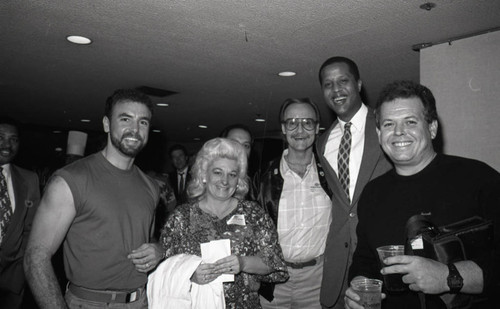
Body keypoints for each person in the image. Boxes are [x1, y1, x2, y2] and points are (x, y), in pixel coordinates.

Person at [345, 80, 500, 309]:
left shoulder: (479, 178)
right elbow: (365, 259)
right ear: (379, 133)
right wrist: (358, 285)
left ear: (432, 128)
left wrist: (449, 276)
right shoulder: (372, 193)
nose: (398, 132)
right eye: (389, 124)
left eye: (410, 121)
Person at [24, 89, 162, 309]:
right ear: (107, 124)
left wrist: (158, 250)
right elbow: (35, 258)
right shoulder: (70, 180)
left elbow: (149, 237)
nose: (135, 129)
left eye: (143, 122)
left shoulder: (151, 186)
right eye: (125, 119)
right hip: (88, 303)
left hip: (141, 301)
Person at [160, 137, 289, 309]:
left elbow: (273, 261)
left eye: (232, 174)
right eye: (218, 172)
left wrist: (243, 263)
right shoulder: (181, 218)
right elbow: (164, 267)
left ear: (239, 180)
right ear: (204, 175)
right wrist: (189, 275)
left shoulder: (254, 214)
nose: (225, 181)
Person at [316, 56, 392, 308]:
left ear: (358, 84)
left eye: (343, 81)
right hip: (338, 264)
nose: (336, 90)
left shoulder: (386, 125)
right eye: (328, 84)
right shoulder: (322, 142)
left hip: (380, 258)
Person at [259, 98, 332, 309]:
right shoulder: (263, 175)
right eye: (292, 122)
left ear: (317, 127)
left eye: (308, 122)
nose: (300, 129)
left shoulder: (330, 174)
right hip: (272, 277)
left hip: (317, 279)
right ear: (283, 127)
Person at [0, 117, 40, 309]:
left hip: (10, 281)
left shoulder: (29, 179)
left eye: (13, 139)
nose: (7, 144)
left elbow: (31, 229)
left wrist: (18, 274)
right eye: (0, 137)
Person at [220, 124, 259, 200]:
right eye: (234, 143)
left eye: (246, 145)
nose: (240, 149)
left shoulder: (256, 183)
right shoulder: (207, 177)